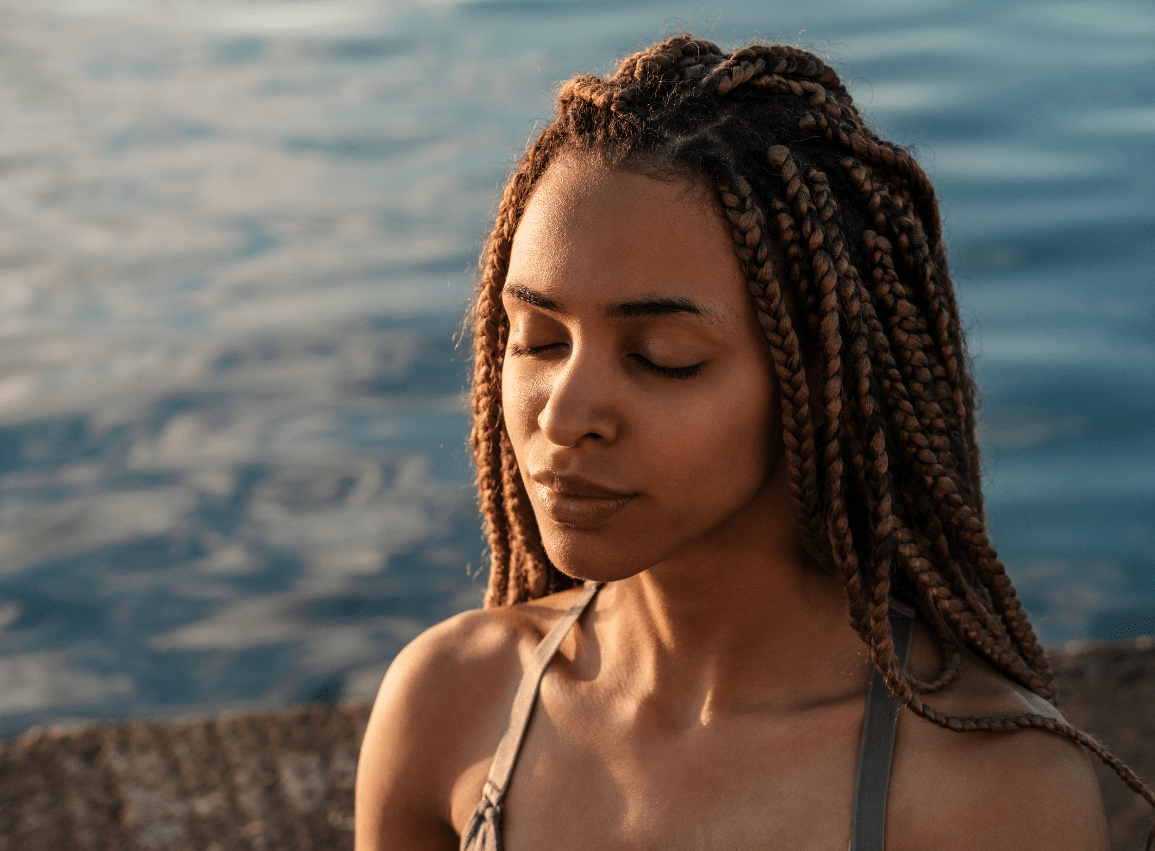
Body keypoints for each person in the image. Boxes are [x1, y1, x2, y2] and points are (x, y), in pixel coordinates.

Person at [354, 36, 1154, 850]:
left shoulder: (985, 791)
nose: (563, 417)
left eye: (662, 359)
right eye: (538, 340)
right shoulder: (451, 707)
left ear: (817, 382)